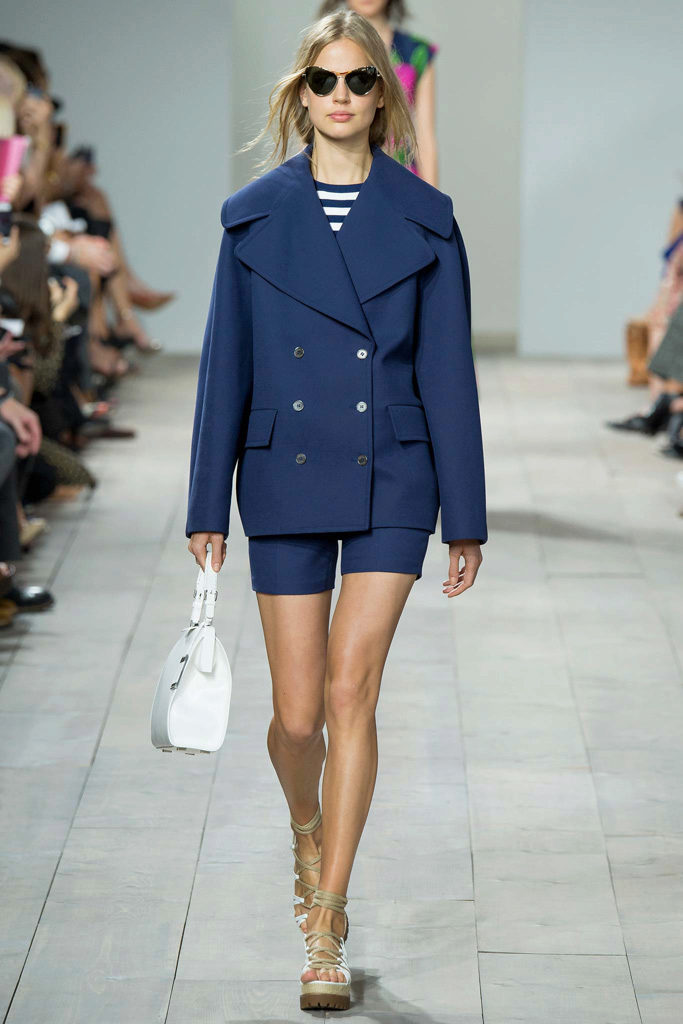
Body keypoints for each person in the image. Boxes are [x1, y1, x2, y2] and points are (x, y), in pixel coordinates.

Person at [185, 8, 487, 1013]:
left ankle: (327, 916)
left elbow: (447, 373)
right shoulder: (252, 217)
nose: (342, 95)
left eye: (359, 80)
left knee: (353, 691)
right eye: (325, 80)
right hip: (283, 472)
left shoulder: (425, 217)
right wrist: (206, 501)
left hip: (393, 470)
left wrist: (465, 512)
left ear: (381, 96)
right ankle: (303, 827)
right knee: (296, 714)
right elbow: (225, 365)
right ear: (301, 94)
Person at [319, 0, 440, 183]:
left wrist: (432, 197)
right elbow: (313, 122)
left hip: (401, 176)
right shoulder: (325, 48)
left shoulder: (417, 54)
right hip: (339, 174)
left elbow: (424, 136)